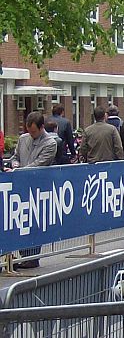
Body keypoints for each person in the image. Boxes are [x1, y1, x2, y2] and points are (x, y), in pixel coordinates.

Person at [11, 112, 58, 268]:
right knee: (20, 221)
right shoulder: (23, 139)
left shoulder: (50, 143)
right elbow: (15, 157)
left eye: (33, 132)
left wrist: (21, 170)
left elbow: (40, 163)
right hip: (21, 188)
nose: (30, 135)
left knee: (35, 222)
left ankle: (32, 257)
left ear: (41, 127)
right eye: (29, 131)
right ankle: (23, 255)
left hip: (39, 189)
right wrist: (15, 165)